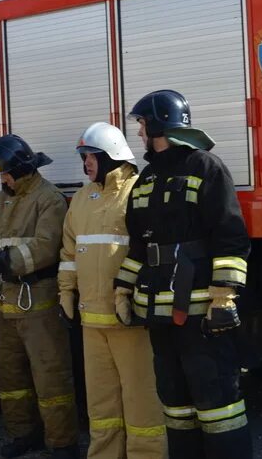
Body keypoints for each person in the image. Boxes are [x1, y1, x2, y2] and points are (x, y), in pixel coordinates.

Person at [114, 90, 251, 458]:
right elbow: (138, 247)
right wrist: (123, 290)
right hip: (159, 314)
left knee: (218, 399)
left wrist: (224, 296)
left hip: (201, 312)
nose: (139, 132)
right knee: (174, 401)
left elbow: (231, 234)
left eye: (142, 123)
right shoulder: (146, 179)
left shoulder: (206, 167)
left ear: (159, 121)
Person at [58, 123, 167, 458]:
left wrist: (132, 297)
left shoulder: (137, 191)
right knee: (101, 402)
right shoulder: (81, 198)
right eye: (84, 157)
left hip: (128, 319)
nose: (85, 163)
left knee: (141, 400)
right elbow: (69, 251)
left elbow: (150, 251)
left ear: (111, 155)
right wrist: (66, 291)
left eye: (90, 156)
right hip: (91, 320)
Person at [0, 134, 79, 459]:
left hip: (39, 300)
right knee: (11, 376)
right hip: (6, 302)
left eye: (5, 173)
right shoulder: (2, 199)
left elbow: (46, 245)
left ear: (22, 169)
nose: (2, 179)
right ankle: (23, 434)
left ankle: (62, 441)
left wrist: (6, 262)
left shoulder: (48, 198)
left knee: (50, 374)